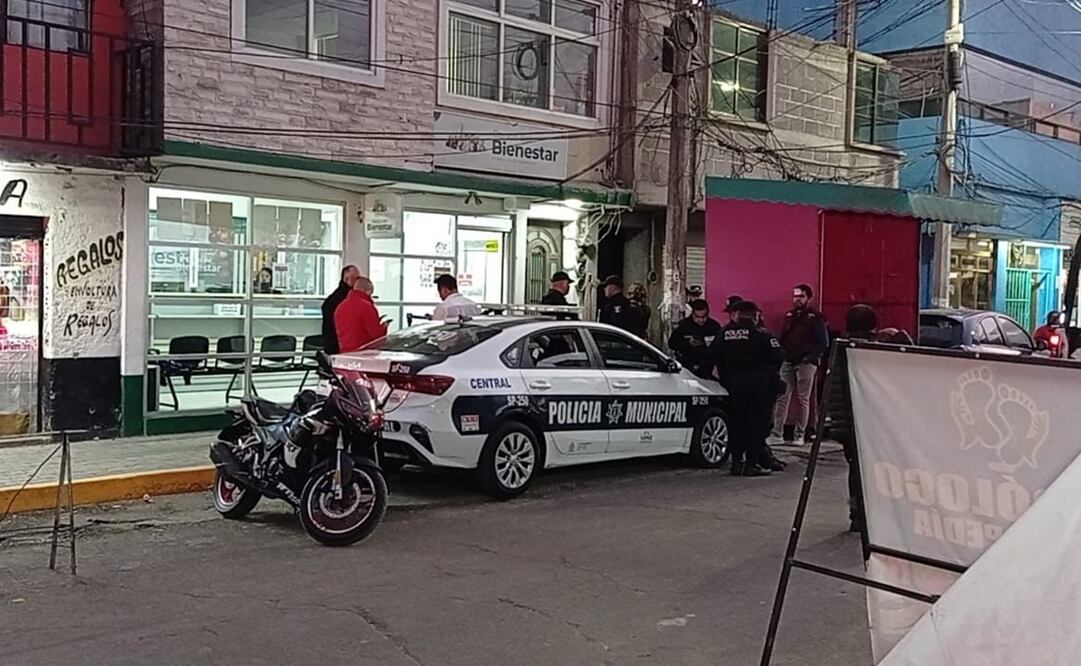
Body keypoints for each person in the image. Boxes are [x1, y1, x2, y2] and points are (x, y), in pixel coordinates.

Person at [828, 304, 913, 532]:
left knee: (855, 468)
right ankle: (871, 515)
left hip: (844, 424)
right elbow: (908, 358)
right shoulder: (869, 352)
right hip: (869, 422)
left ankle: (857, 514)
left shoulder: (840, 349)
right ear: (872, 326)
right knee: (872, 469)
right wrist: (899, 336)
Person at [710, 300, 783, 477]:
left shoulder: (724, 333)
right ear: (755, 315)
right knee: (756, 425)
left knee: (737, 423)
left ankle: (736, 463)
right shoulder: (762, 334)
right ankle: (752, 464)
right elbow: (778, 356)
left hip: (735, 384)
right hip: (759, 385)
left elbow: (713, 356)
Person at [770, 283, 829, 445]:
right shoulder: (789, 316)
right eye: (795, 296)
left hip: (806, 363)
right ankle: (777, 433)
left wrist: (811, 358)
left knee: (804, 399)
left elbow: (823, 342)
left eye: (801, 296)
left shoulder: (816, 317)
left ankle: (800, 434)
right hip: (788, 360)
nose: (797, 299)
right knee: (782, 397)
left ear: (809, 298)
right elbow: (784, 337)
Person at [667, 299, 722, 380]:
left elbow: (720, 346)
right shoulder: (683, 325)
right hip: (687, 366)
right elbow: (672, 344)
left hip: (707, 367)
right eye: (697, 317)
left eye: (703, 317)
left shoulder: (714, 326)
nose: (700, 320)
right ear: (692, 313)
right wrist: (688, 343)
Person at [334, 277, 387, 354]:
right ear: (368, 292)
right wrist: (383, 327)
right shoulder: (367, 307)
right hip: (364, 354)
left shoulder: (340, 307)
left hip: (345, 353)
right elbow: (376, 335)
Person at [321, 264, 359, 355]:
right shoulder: (344, 298)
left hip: (333, 340)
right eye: (355, 277)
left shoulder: (336, 296)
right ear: (345, 277)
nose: (357, 280)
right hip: (339, 341)